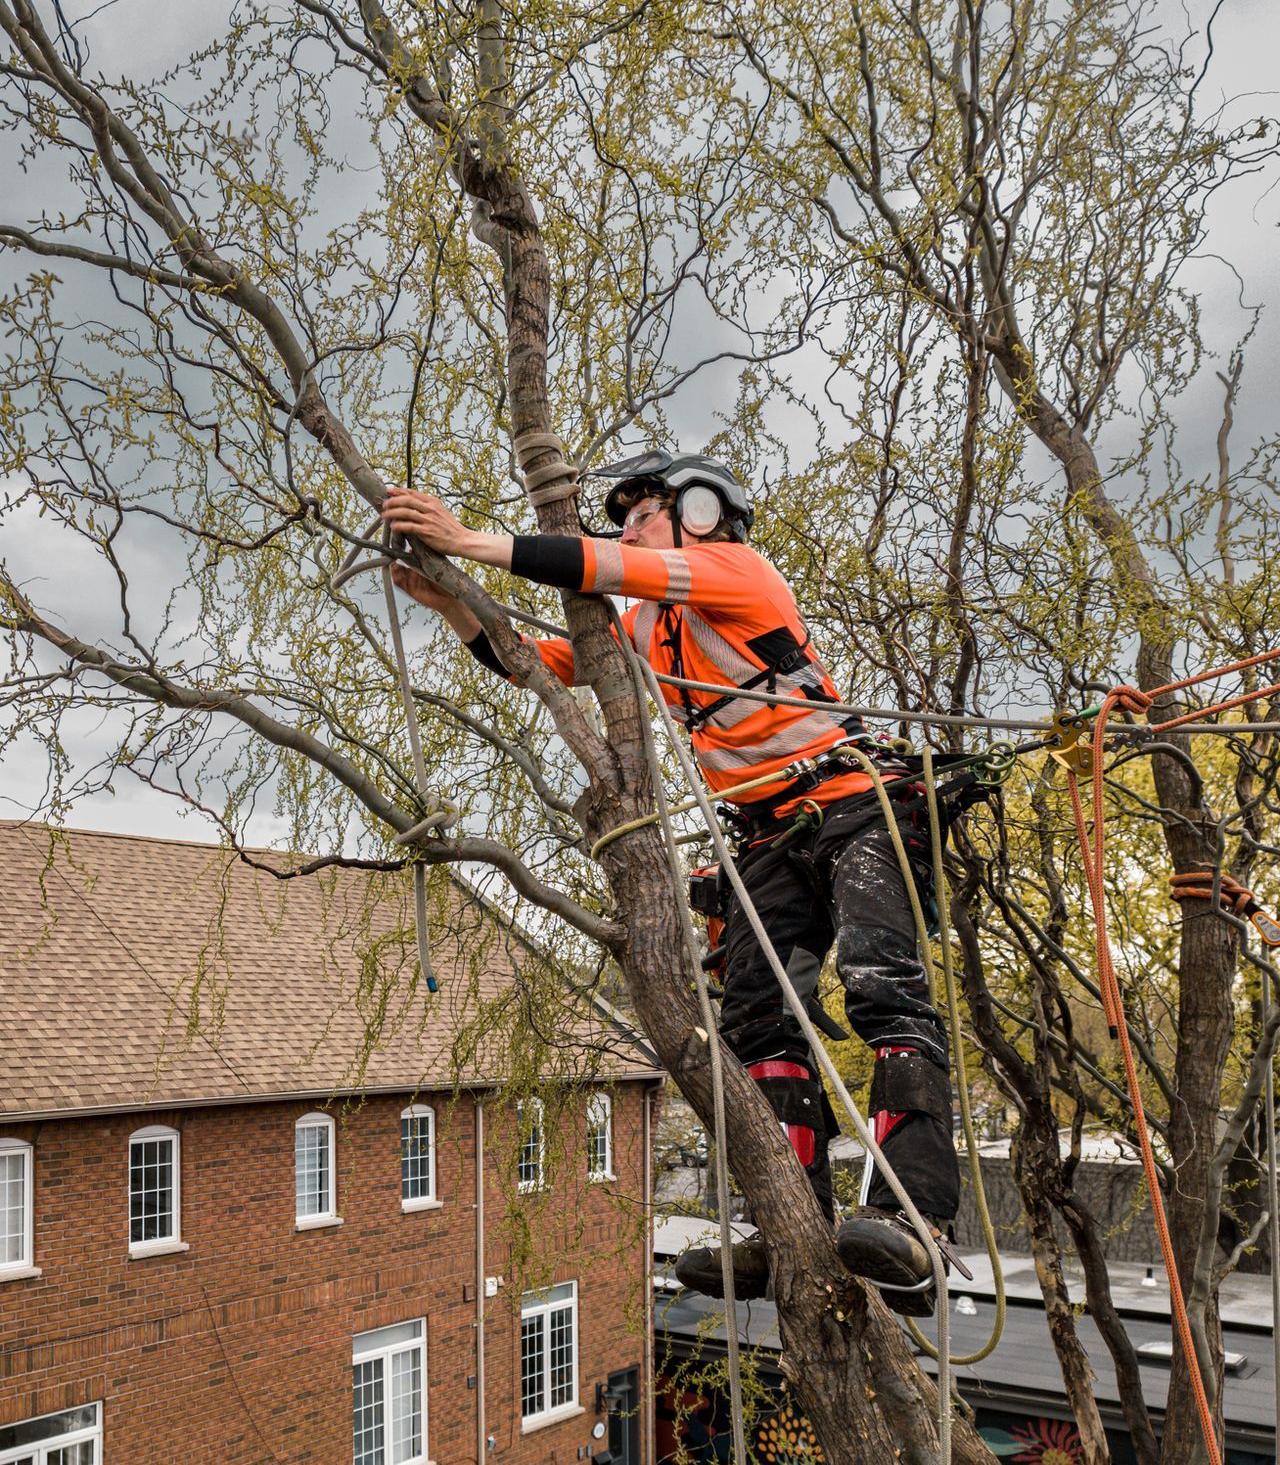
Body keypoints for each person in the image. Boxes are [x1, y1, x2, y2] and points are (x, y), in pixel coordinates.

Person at [381, 449, 961, 1315]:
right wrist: (454, 606)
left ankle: (917, 1222)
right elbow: (542, 661)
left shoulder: (735, 570)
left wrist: (470, 541)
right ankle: (791, 1223)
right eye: (625, 519)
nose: (629, 530)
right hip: (765, 834)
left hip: (852, 802)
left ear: (699, 510)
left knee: (883, 986)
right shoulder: (653, 629)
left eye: (644, 512)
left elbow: (602, 564)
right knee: (758, 1019)